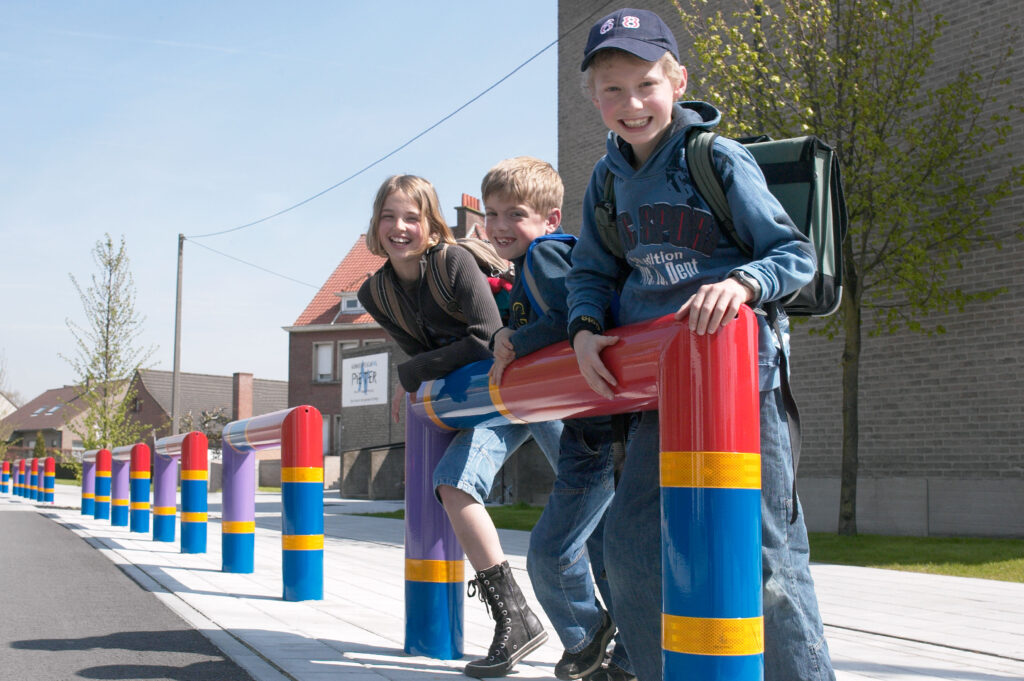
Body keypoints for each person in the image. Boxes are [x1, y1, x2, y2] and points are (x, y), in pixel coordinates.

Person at [565, 8, 836, 681]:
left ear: (678, 82)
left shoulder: (713, 158)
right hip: (659, 391)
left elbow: (794, 254)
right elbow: (591, 273)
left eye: (646, 84)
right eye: (613, 89)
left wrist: (743, 282)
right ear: (594, 98)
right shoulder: (606, 180)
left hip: (742, 389)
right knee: (630, 551)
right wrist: (584, 326)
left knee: (765, 559)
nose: (632, 103)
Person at [356, 174, 562, 678]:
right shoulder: (375, 291)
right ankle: (516, 617)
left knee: (584, 489)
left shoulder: (453, 261)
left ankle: (611, 633)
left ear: (432, 225)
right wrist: (417, 375)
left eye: (412, 217)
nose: (399, 227)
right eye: (389, 216)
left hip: (531, 378)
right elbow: (421, 352)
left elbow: (486, 337)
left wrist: (412, 375)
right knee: (452, 483)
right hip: (484, 398)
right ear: (376, 224)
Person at [482, 157, 634, 681]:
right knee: (603, 548)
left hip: (596, 429)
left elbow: (573, 314)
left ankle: (587, 633)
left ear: (550, 219)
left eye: (515, 214)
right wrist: (506, 334)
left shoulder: (545, 253)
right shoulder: (528, 264)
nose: (499, 226)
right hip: (594, 425)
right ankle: (629, 655)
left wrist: (514, 344)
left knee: (550, 552)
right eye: (492, 214)